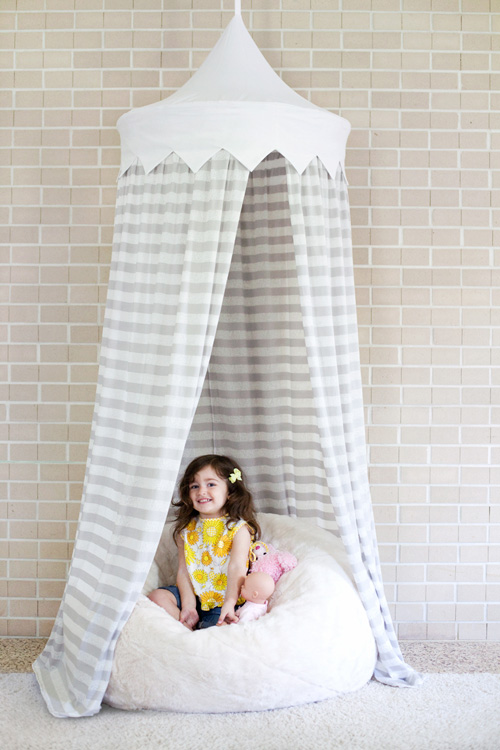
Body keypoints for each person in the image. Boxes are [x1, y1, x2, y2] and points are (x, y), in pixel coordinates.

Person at [148, 454, 260, 630]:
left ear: (230, 492)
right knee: (157, 596)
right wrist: (188, 606)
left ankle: (197, 634)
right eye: (194, 486)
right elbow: (184, 571)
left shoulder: (238, 529)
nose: (201, 491)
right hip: (192, 596)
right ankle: (187, 629)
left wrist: (229, 603)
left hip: (223, 600)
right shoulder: (186, 530)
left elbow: (237, 568)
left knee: (216, 629)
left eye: (211, 484)